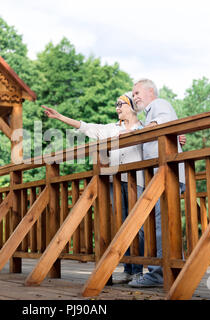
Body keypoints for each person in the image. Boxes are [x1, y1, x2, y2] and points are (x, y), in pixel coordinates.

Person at [42, 93, 145, 283]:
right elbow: (85, 127)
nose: (117, 108)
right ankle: (129, 269)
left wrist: (179, 140)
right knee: (122, 224)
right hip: (116, 181)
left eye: (120, 104)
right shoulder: (110, 129)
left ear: (131, 106)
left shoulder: (145, 128)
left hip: (137, 181)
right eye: (116, 104)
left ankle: (138, 269)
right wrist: (60, 117)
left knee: (137, 226)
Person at [127, 78, 186, 288]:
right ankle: (171, 270)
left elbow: (160, 124)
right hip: (160, 175)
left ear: (151, 91)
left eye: (137, 93)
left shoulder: (159, 105)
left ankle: (159, 273)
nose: (135, 97)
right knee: (161, 225)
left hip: (166, 175)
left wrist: (139, 131)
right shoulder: (149, 113)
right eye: (133, 95)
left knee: (160, 226)